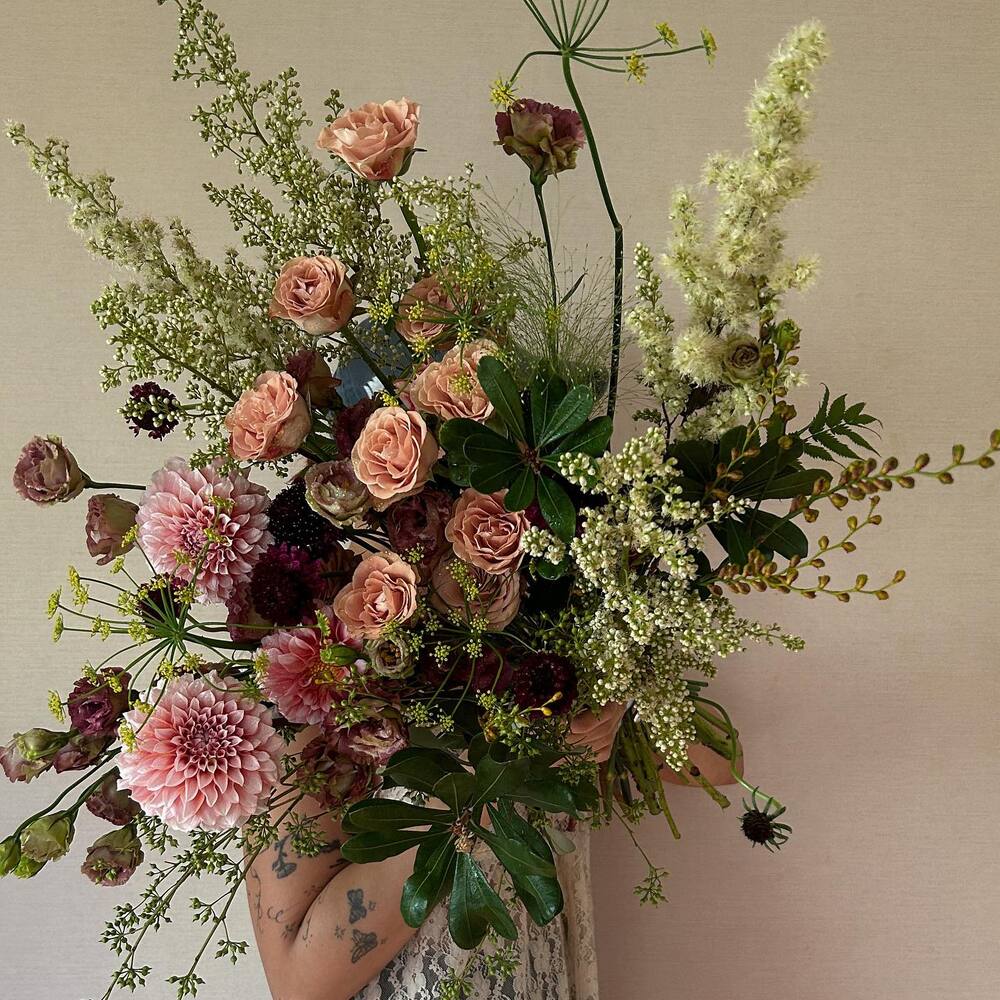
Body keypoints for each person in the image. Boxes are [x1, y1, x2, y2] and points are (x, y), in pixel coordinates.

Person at [247, 705, 625, 1000]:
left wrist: (619, 705)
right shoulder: (307, 672)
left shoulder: (555, 641)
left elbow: (682, 763)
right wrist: (500, 771)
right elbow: (300, 985)